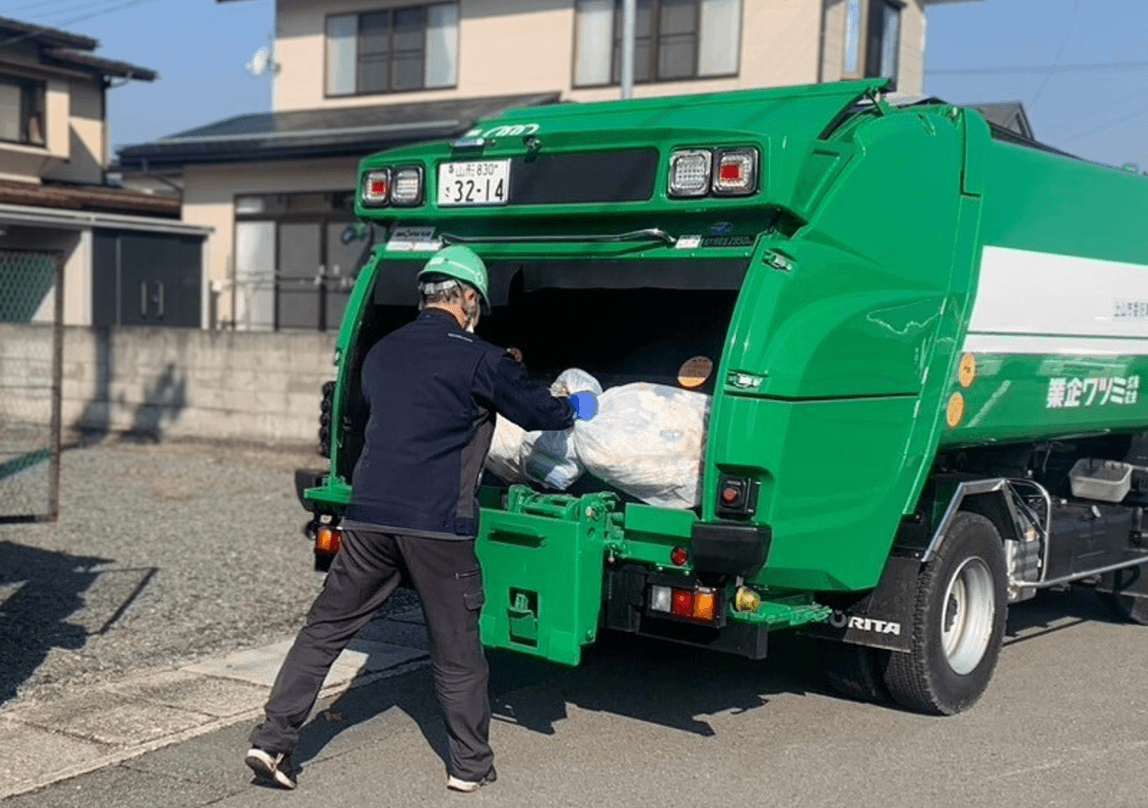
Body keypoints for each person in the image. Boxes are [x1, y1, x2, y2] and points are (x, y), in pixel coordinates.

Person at [244, 245, 598, 793]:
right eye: (476, 301)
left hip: (368, 517)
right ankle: (469, 766)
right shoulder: (479, 357)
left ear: (427, 293)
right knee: (457, 649)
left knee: (325, 630)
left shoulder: (383, 352)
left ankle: (271, 742)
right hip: (437, 525)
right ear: (466, 298)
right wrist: (575, 405)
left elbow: (399, 404)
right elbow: (536, 411)